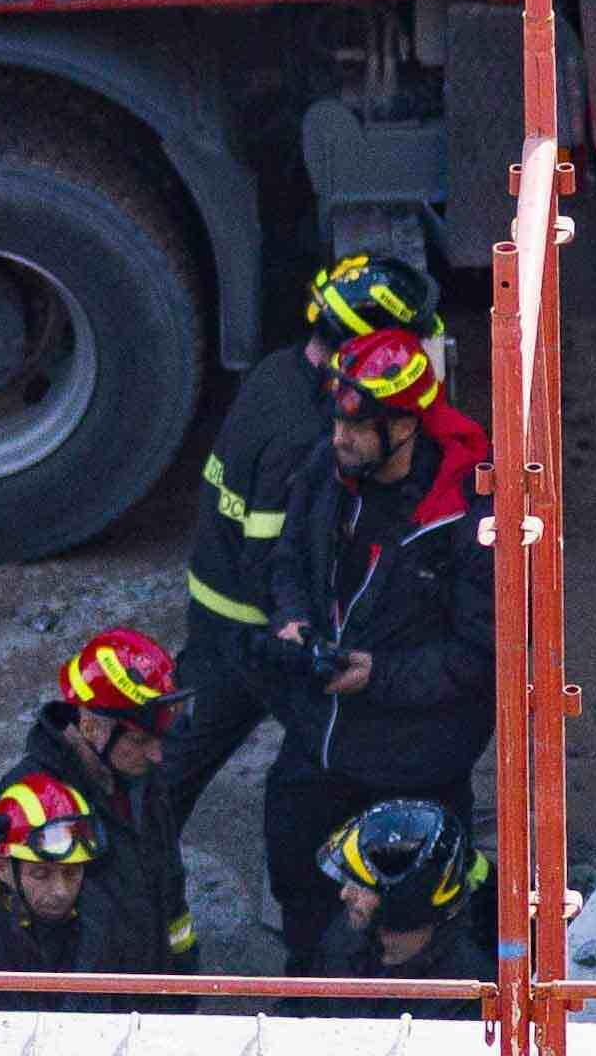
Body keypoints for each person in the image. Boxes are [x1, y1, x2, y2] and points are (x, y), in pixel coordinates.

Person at [163, 248, 440, 841]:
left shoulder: (278, 373)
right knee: (351, 754)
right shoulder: (309, 433)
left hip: (218, 615)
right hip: (256, 634)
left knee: (172, 767)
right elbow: (273, 558)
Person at [256, 329, 494, 977]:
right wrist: (294, 622)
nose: (340, 438)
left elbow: (481, 656)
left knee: (418, 921)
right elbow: (287, 563)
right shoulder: (328, 472)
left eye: (357, 429)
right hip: (319, 738)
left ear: (405, 426)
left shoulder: (467, 517)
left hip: (412, 762)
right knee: (297, 879)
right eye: (335, 421)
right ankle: (310, 995)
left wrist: (376, 676)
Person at [0, 626, 198, 972]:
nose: (157, 755)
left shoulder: (141, 780)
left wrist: (183, 973)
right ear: (91, 726)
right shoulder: (24, 807)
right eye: (142, 740)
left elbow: (169, 883)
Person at [0, 776, 175, 1009]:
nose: (61, 891)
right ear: (2, 867)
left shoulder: (107, 925)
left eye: (72, 873)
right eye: (41, 873)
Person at [311, 796, 496, 992]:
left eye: (361, 886)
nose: (344, 894)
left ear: (406, 903)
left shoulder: (469, 991)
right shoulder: (344, 939)